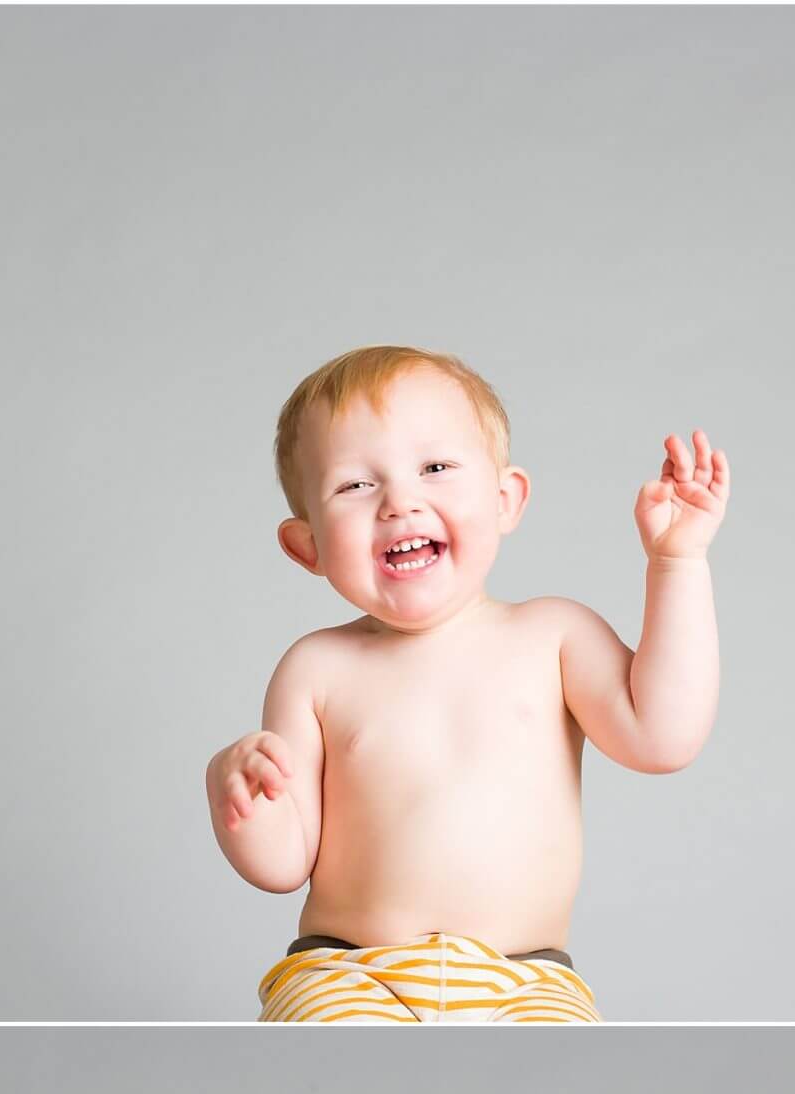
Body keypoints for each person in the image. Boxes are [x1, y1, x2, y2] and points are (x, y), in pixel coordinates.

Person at [206, 345, 729, 1021]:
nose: (400, 501)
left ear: (505, 498)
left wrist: (677, 564)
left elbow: (663, 738)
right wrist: (238, 792)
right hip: (349, 971)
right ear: (308, 546)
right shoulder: (316, 668)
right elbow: (281, 864)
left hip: (526, 983)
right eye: (355, 486)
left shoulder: (553, 636)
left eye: (435, 468)